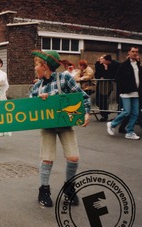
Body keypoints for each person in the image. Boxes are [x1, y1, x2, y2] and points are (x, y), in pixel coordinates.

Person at [30, 50, 91, 207]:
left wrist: (86, 113)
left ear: (44, 66)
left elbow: (83, 97)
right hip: (48, 127)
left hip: (65, 126)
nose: (35, 68)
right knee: (47, 158)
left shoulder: (64, 78)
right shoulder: (37, 86)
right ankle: (44, 190)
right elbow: (28, 106)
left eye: (36, 65)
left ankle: (69, 187)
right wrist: (38, 100)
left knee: (73, 157)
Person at [107, 46, 141, 140]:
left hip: (136, 92)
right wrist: (125, 88)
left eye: (136, 52)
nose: (135, 53)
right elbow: (117, 78)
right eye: (133, 51)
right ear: (129, 53)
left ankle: (129, 131)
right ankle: (112, 124)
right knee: (127, 112)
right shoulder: (123, 65)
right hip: (126, 92)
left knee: (135, 113)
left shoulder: (137, 64)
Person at [95, 54, 120, 121]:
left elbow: (108, 75)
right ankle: (105, 112)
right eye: (100, 59)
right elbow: (97, 75)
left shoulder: (110, 65)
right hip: (100, 85)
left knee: (103, 100)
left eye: (103, 59)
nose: (102, 60)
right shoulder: (99, 65)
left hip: (107, 85)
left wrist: (106, 69)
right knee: (98, 100)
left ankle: (104, 115)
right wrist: (98, 65)